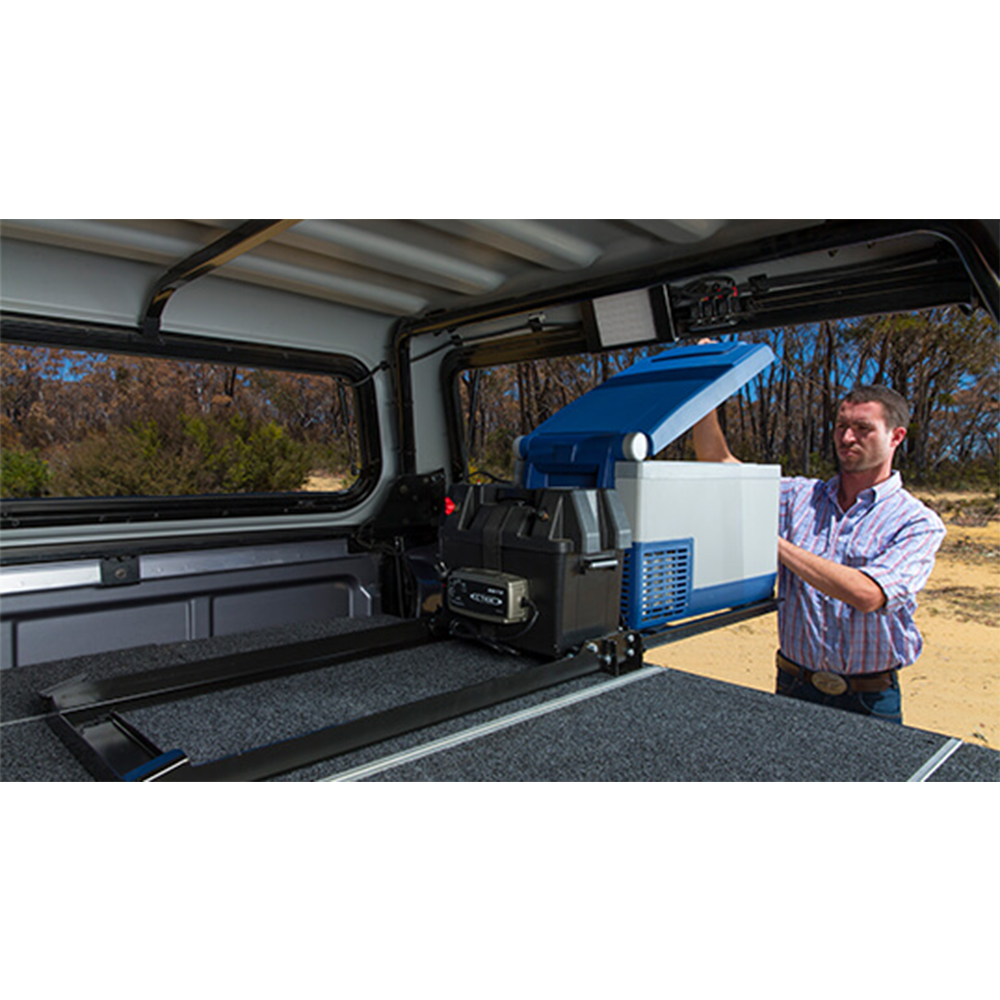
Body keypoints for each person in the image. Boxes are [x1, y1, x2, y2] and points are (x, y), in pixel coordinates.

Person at [691, 384, 945, 724]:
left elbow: (867, 593)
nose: (848, 437)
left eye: (863, 428)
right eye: (841, 426)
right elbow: (719, 463)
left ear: (896, 436)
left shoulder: (916, 522)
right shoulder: (798, 496)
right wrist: (706, 390)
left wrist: (772, 542)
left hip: (869, 699)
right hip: (795, 685)